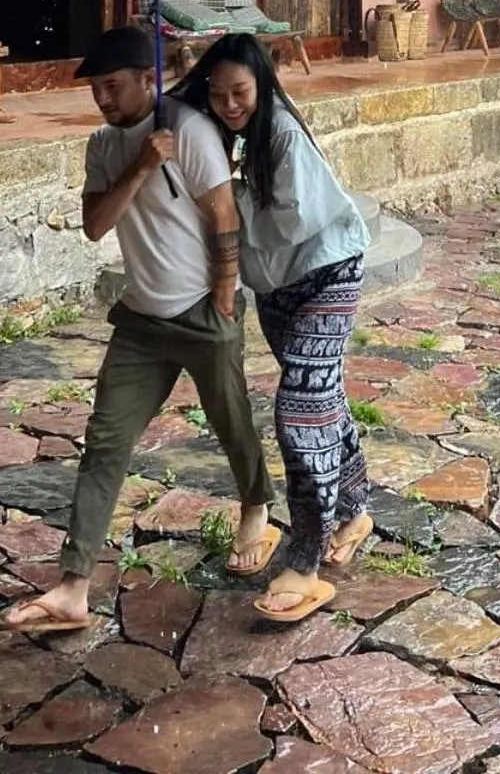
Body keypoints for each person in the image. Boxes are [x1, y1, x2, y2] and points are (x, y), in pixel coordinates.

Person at [2, 25, 278, 634]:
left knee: (231, 421)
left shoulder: (193, 130)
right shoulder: (105, 144)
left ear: (147, 79)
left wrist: (226, 296)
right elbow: (96, 226)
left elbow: (223, 214)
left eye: (114, 86)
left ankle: (256, 506)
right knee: (105, 442)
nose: (103, 98)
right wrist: (141, 163)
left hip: (202, 311)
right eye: (96, 89)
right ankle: (73, 587)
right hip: (140, 321)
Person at [172, 33, 372, 622]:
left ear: (262, 84)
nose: (230, 104)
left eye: (241, 92)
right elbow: (177, 106)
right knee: (322, 396)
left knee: (299, 409)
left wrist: (223, 192)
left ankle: (304, 559)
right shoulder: (219, 126)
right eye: (219, 94)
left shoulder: (280, 131)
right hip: (276, 284)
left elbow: (291, 220)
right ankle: (355, 510)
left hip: (326, 271)